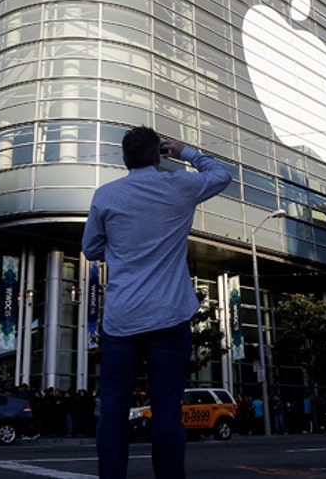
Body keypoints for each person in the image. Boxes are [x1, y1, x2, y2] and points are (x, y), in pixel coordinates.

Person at [82, 126, 231, 479]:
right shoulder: (179, 187)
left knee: (115, 408)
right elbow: (222, 175)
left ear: (125, 158)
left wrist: (121, 251)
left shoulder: (106, 196)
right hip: (169, 315)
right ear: (158, 155)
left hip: (122, 319)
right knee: (166, 408)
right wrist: (186, 152)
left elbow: (90, 249)